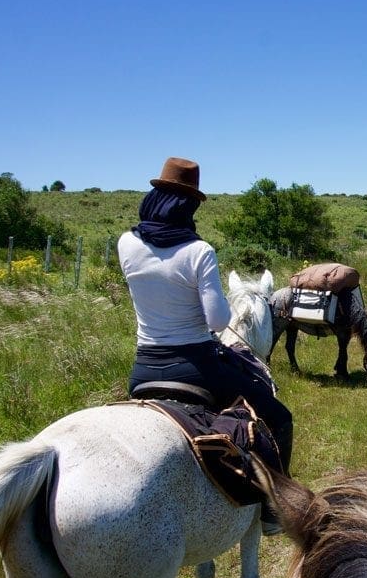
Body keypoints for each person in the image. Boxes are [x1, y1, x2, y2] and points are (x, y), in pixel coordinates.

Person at [118, 157, 293, 533]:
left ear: (154, 197)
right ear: (190, 205)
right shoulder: (199, 252)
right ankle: (274, 512)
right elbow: (217, 322)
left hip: (144, 365)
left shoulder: (126, 243)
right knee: (279, 418)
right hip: (197, 365)